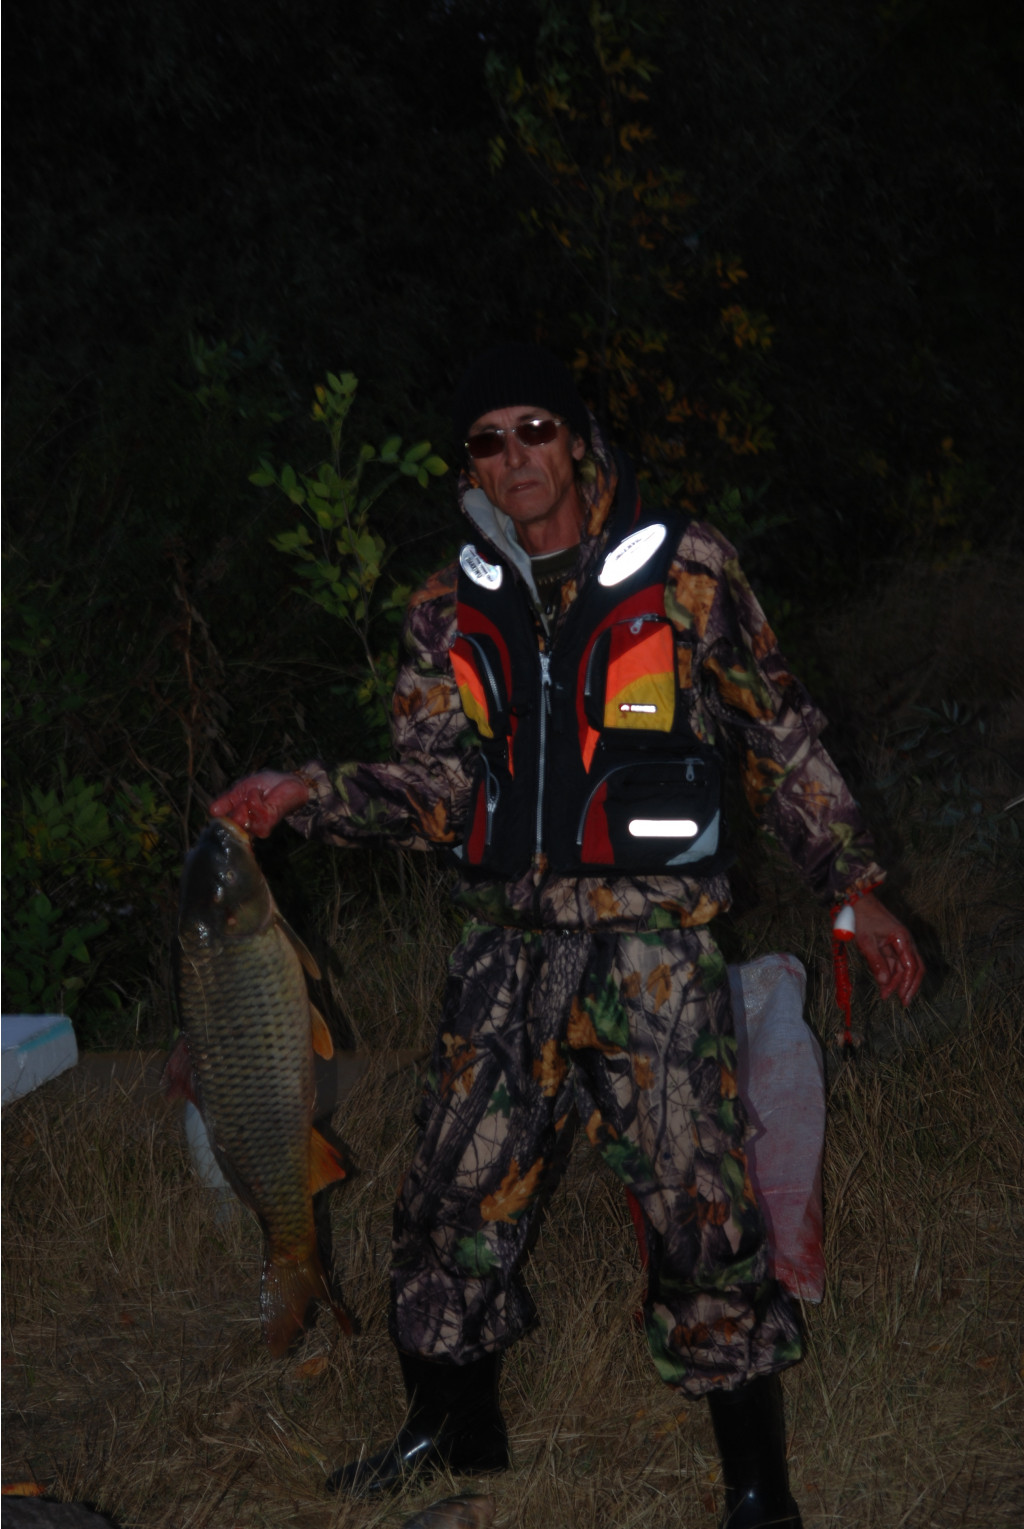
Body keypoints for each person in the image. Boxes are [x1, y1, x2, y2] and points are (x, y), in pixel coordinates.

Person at [210, 343, 924, 1528]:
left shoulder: (686, 566)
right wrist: (307, 793)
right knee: (447, 1198)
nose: (515, 456)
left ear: (576, 439)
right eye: (487, 440)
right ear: (470, 465)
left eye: (534, 427)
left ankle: (755, 1483)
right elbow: (435, 788)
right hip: (507, 953)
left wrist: (854, 883)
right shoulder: (444, 605)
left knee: (700, 1210)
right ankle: (450, 1426)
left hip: (654, 951)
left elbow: (777, 729)